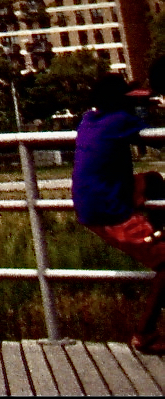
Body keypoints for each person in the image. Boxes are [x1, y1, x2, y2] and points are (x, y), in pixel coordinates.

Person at [71, 69, 165, 355]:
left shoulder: (89, 120)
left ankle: (159, 231)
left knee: (153, 181)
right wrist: (154, 106)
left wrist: (140, 100)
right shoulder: (120, 121)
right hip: (109, 209)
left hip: (99, 197)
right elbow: (156, 139)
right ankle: (144, 334)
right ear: (120, 102)